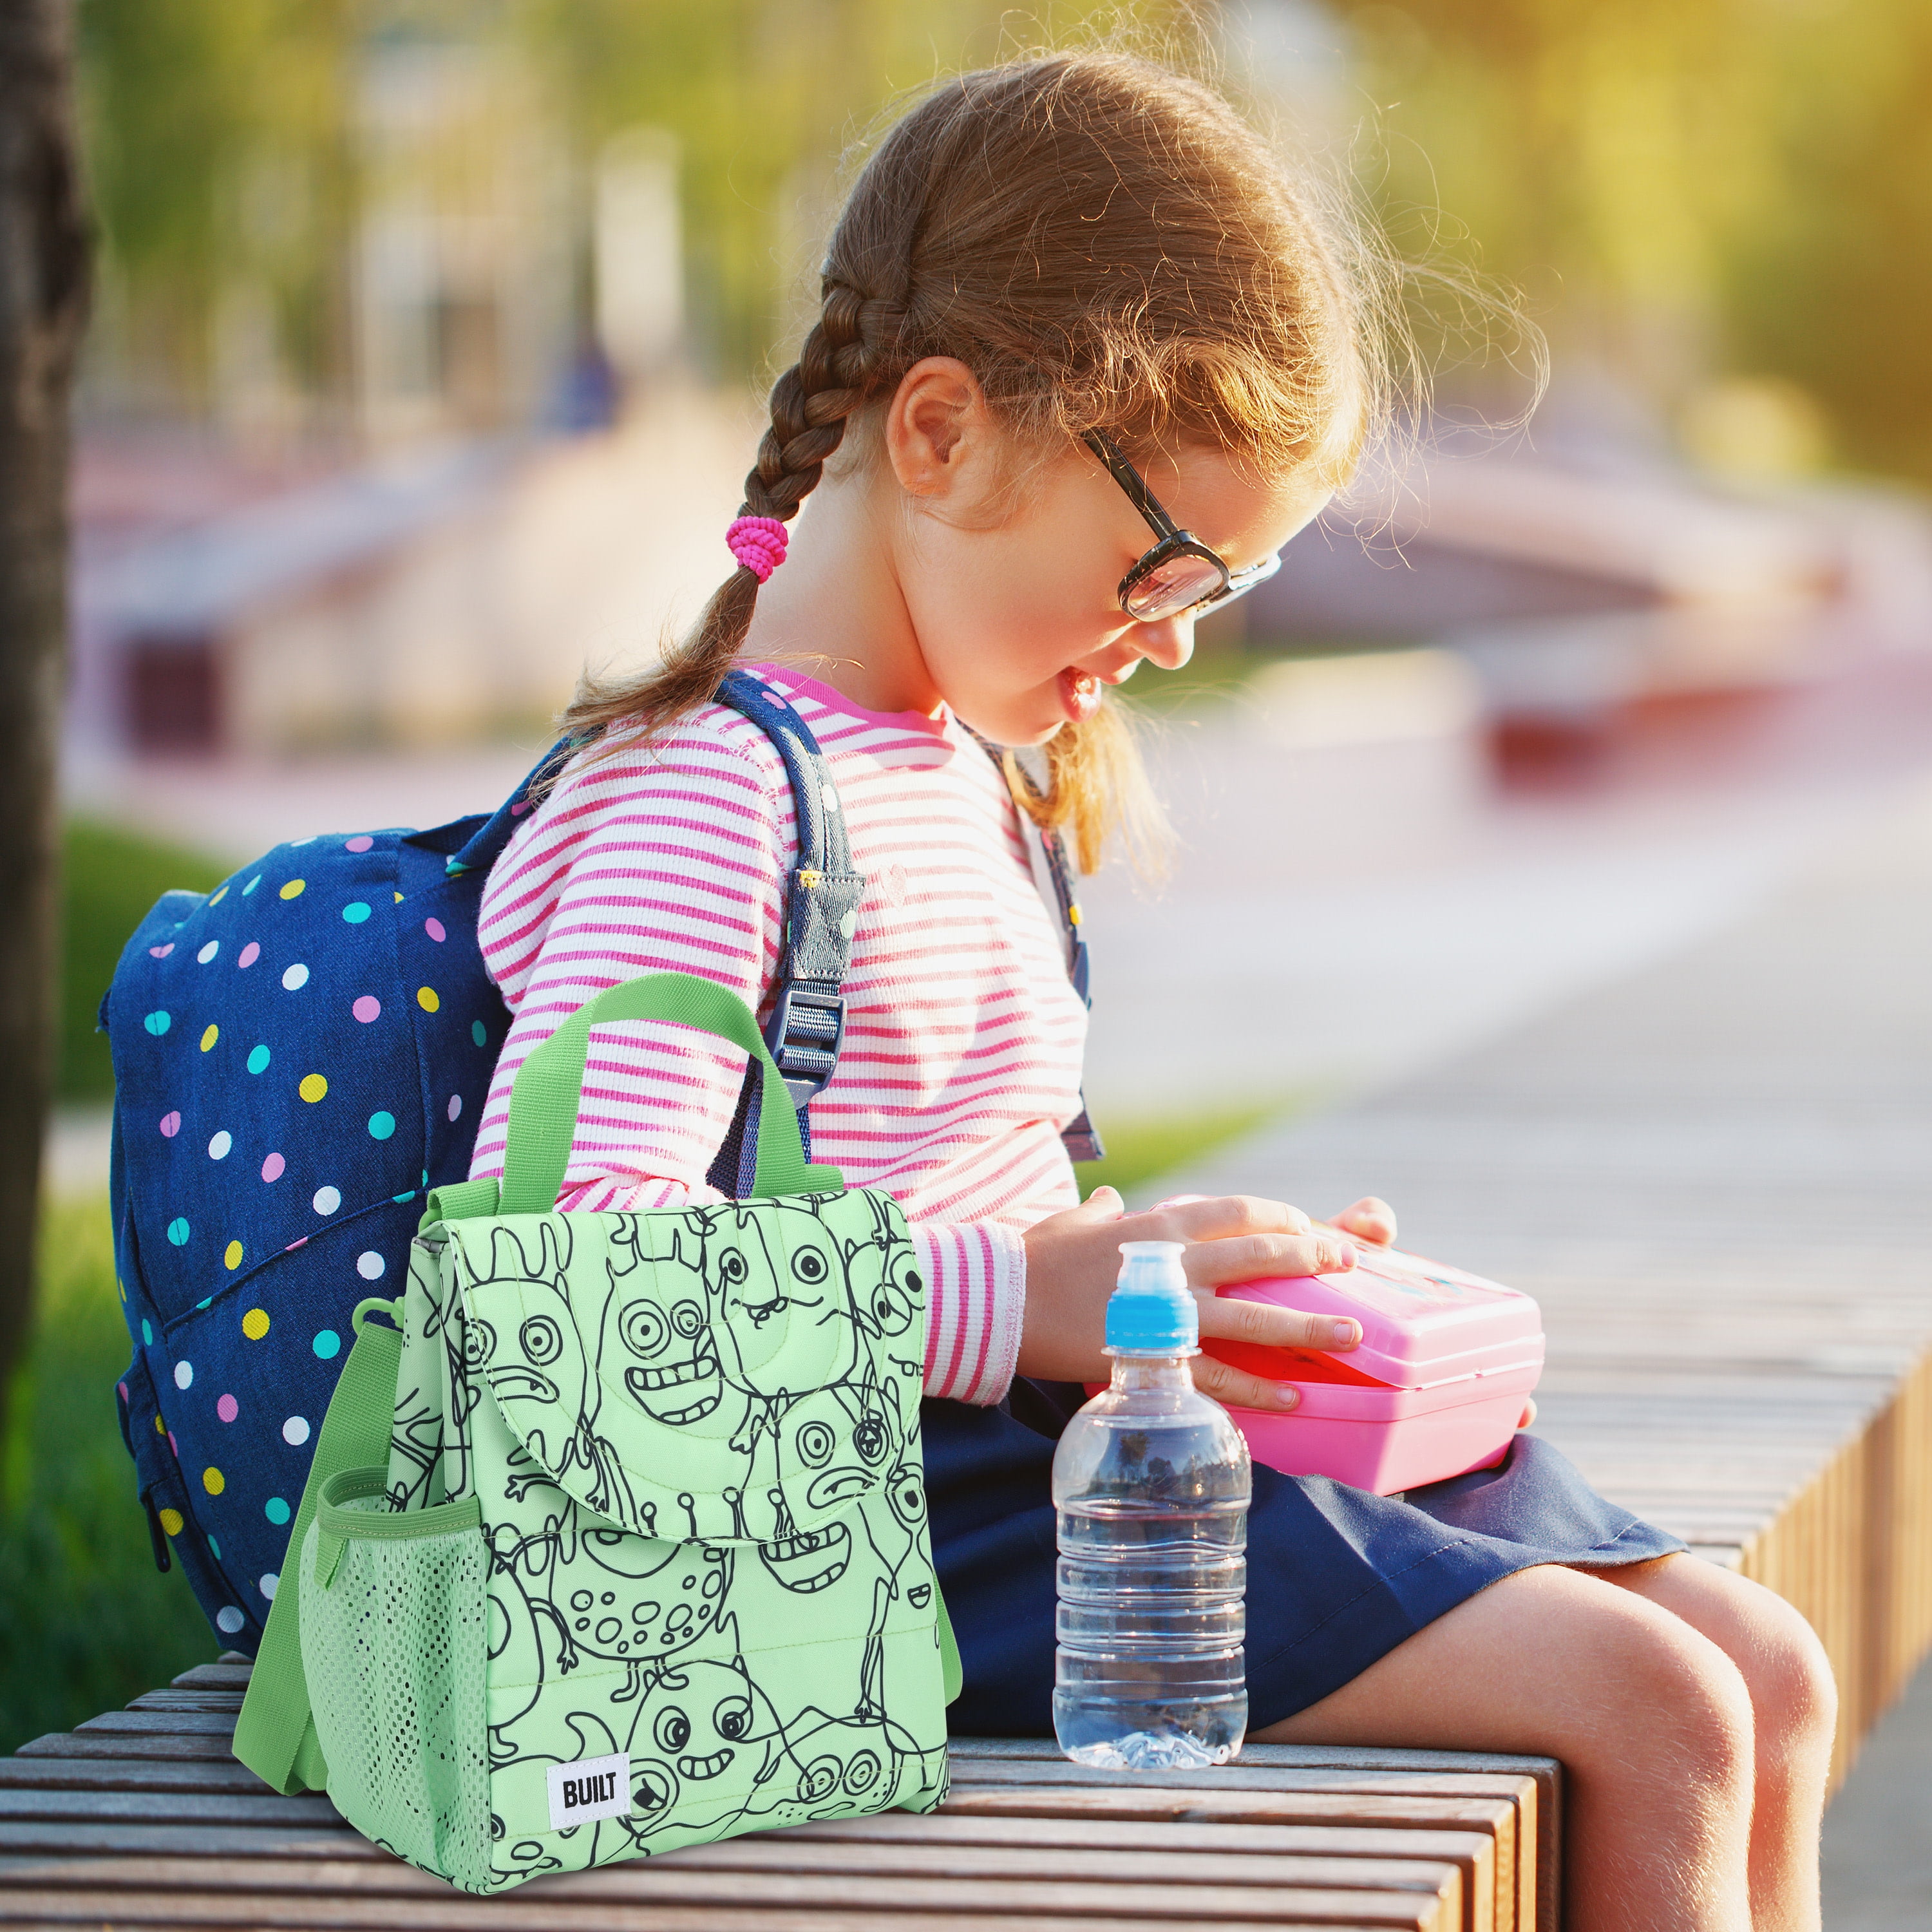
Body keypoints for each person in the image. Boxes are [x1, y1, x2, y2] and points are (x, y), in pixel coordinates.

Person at [468, 51, 1836, 1932]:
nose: (1179, 636)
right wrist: (1031, 1302)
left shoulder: (962, 762)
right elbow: (572, 1271)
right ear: (939, 434)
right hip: (852, 1521)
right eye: (1162, 564)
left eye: (1225, 589)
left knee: (1767, 1667)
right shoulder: (709, 788)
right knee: (1658, 1704)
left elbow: (963, 1188)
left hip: (1058, 1456)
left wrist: (1176, 1276)